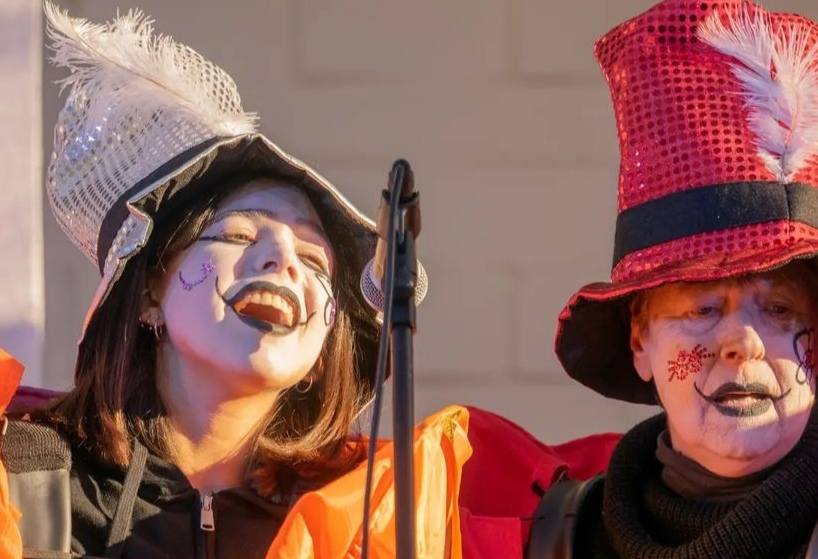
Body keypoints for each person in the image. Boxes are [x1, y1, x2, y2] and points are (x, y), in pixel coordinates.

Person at [0, 4, 471, 558]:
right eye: (241, 237)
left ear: (322, 355)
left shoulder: (378, 522)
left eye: (316, 263)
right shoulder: (20, 483)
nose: (283, 262)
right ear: (150, 292)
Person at [527, 0, 818, 557]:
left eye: (780, 310)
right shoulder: (556, 537)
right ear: (641, 341)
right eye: (702, 309)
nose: (744, 343)